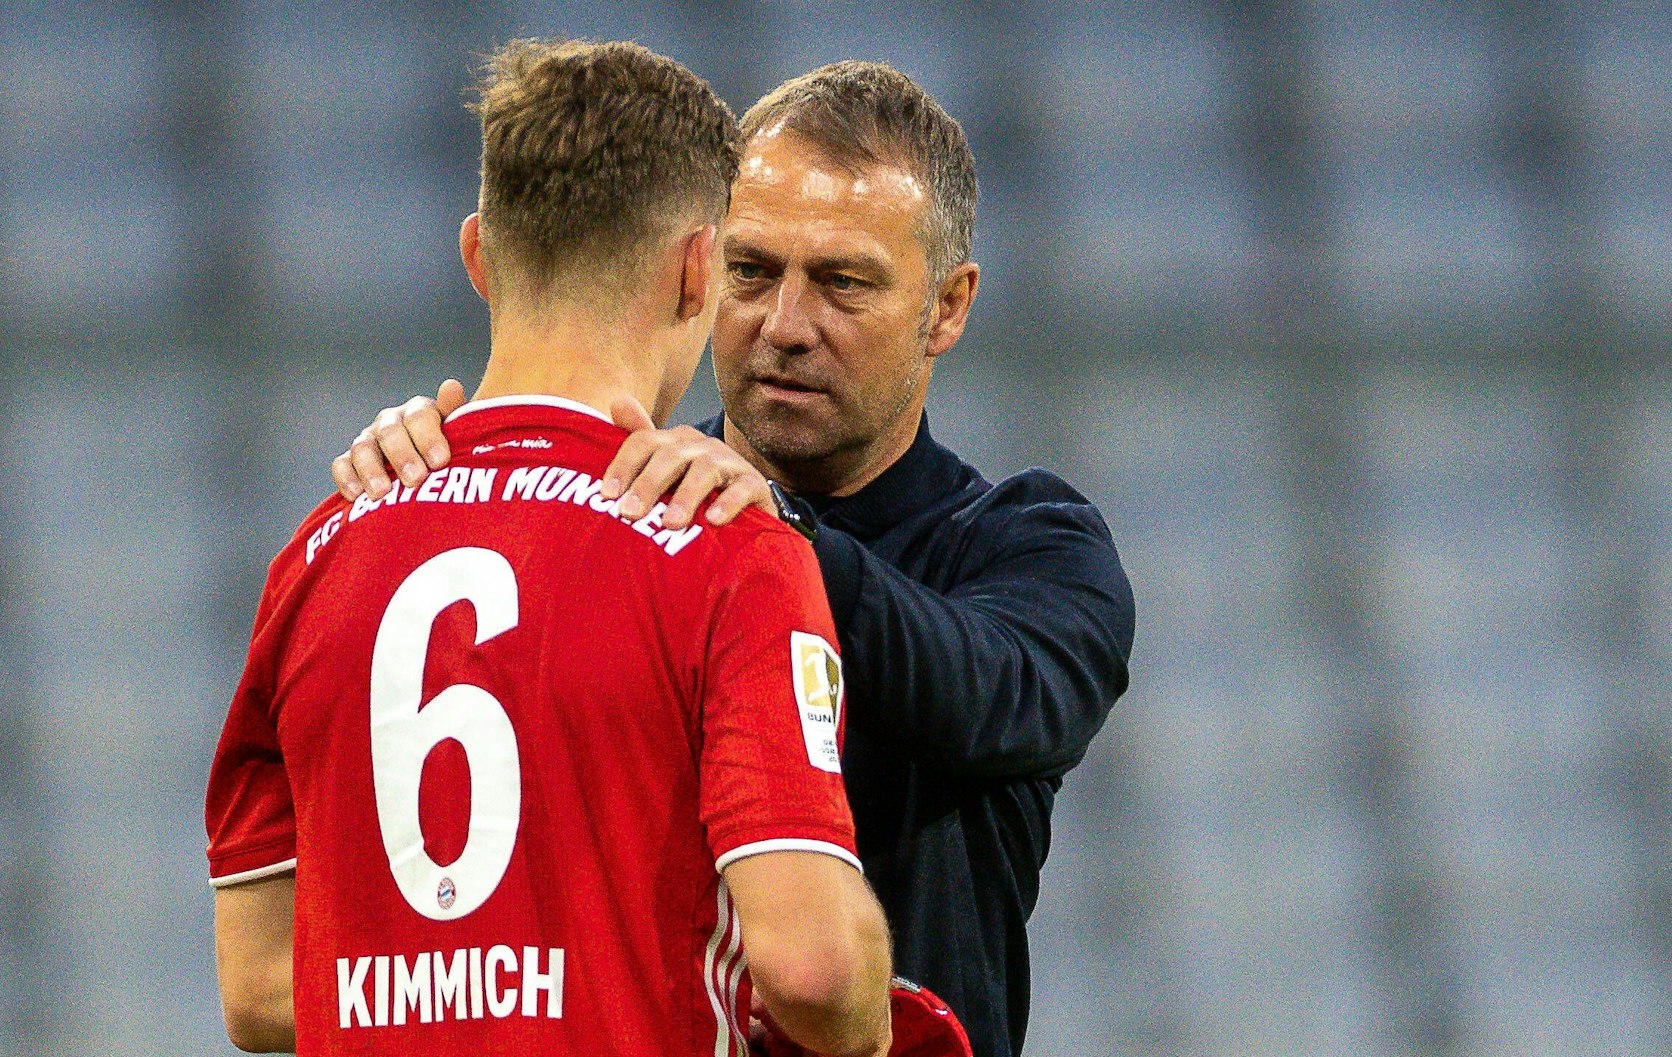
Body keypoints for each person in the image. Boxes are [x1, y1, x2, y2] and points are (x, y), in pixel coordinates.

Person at [332, 62, 1137, 1057]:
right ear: (701, 269)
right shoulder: (608, 519)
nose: (785, 327)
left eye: (842, 283)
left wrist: (774, 538)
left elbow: (984, 696)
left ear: (946, 305)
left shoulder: (1032, 543)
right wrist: (435, 495)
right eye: (751, 271)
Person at [206, 41, 897, 1057]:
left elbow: (262, 987)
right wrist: (873, 1007)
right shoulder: (721, 546)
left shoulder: (320, 553)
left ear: (479, 256)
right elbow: (812, 971)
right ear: (696, 269)